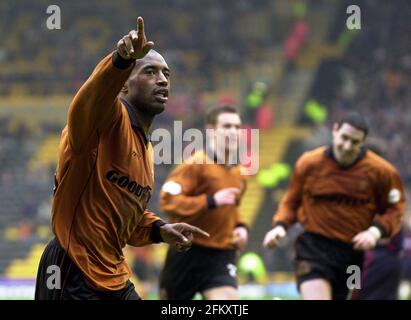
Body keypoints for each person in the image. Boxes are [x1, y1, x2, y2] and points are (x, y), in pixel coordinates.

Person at [35, 17, 208, 300]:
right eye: (150, 71)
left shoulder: (145, 149)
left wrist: (160, 230)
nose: (163, 80)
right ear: (123, 85)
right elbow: (90, 100)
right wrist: (120, 60)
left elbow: (124, 221)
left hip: (113, 274)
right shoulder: (105, 119)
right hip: (72, 268)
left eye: (166, 73)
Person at [263, 111, 406, 300]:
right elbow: (291, 200)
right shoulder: (309, 163)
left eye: (354, 142)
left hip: (354, 255)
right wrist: (281, 226)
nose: (347, 147)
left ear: (363, 142)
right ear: (335, 130)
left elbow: (395, 209)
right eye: (344, 138)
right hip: (313, 248)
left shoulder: (381, 172)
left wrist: (374, 232)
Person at [159, 105, 249, 300]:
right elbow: (168, 200)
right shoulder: (193, 165)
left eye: (237, 127)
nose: (233, 132)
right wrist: (209, 201)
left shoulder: (239, 172)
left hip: (220, 255)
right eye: (226, 126)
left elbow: (232, 208)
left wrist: (241, 226)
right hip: (187, 251)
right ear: (211, 131)